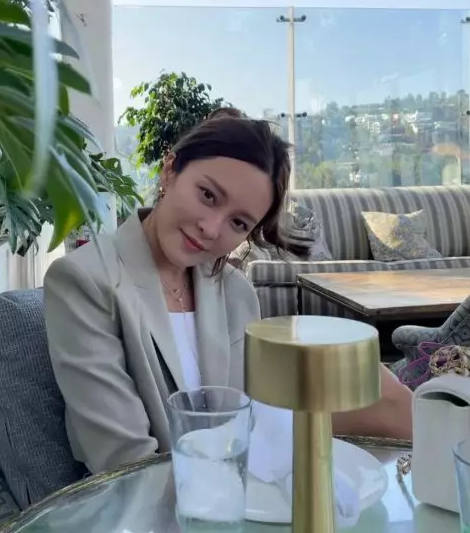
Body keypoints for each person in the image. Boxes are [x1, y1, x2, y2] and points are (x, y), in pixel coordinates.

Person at [44, 116, 413, 477]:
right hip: (151, 498)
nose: (210, 228)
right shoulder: (85, 280)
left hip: (241, 484)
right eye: (207, 195)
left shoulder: (235, 290)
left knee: (382, 390)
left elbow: (249, 420)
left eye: (238, 223)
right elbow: (124, 464)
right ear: (170, 170)